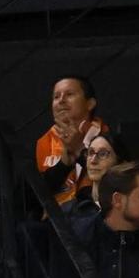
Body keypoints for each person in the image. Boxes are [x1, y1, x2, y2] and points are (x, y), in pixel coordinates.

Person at [36, 75, 104, 208]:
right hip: (54, 221)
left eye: (69, 94)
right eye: (56, 97)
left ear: (90, 104)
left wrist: (80, 150)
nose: (61, 100)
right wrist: (64, 164)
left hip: (93, 217)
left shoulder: (106, 137)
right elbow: (36, 194)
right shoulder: (43, 142)